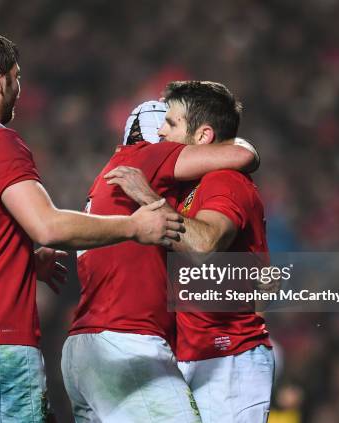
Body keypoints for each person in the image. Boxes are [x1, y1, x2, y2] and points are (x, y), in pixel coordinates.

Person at [0, 30, 185, 423]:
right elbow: (48, 225)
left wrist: (17, 260)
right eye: (17, 76)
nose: (19, 89)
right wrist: (134, 226)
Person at [61, 96, 260, 422]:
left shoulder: (102, 183)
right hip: (127, 342)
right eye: (169, 126)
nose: (170, 134)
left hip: (84, 351)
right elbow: (242, 155)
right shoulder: (149, 155)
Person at [106, 81, 274, 423]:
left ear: (203, 135)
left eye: (171, 123)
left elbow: (204, 245)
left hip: (228, 358)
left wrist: (149, 198)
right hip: (198, 355)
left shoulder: (225, 180)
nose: (161, 131)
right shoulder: (192, 185)